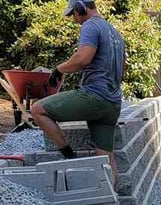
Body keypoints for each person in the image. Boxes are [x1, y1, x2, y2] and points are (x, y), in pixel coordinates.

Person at [32, 0, 127, 178]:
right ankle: (113, 193)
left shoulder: (90, 25)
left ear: (80, 9)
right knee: (106, 158)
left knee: (37, 110)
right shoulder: (114, 32)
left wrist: (59, 69)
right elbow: (122, 69)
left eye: (73, 14)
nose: (74, 19)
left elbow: (82, 59)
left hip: (94, 97)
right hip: (113, 103)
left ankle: (69, 155)